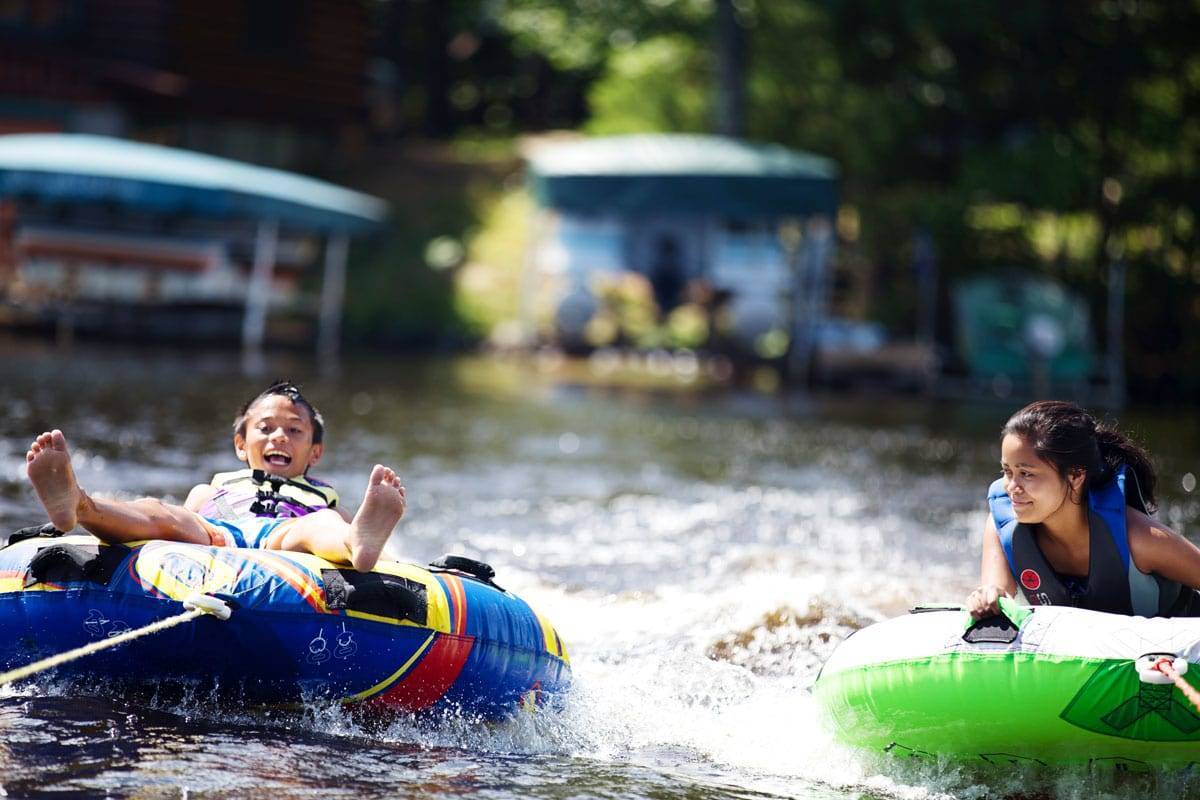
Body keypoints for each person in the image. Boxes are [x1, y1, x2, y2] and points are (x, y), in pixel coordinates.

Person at [24, 380, 405, 573]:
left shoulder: (320, 498)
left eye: (294, 431)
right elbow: (181, 523)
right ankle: (79, 504)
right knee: (162, 513)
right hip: (217, 531)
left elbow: (324, 529)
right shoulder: (216, 486)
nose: (279, 437)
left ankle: (359, 544)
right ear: (241, 445)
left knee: (325, 524)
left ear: (314, 453)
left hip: (284, 537)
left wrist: (402, 567)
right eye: (266, 428)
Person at [968, 400, 1200, 619]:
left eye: (1026, 474)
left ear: (1076, 476)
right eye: (1007, 472)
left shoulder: (1140, 539)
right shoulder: (1003, 527)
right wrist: (986, 599)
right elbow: (996, 593)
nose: (1011, 488)